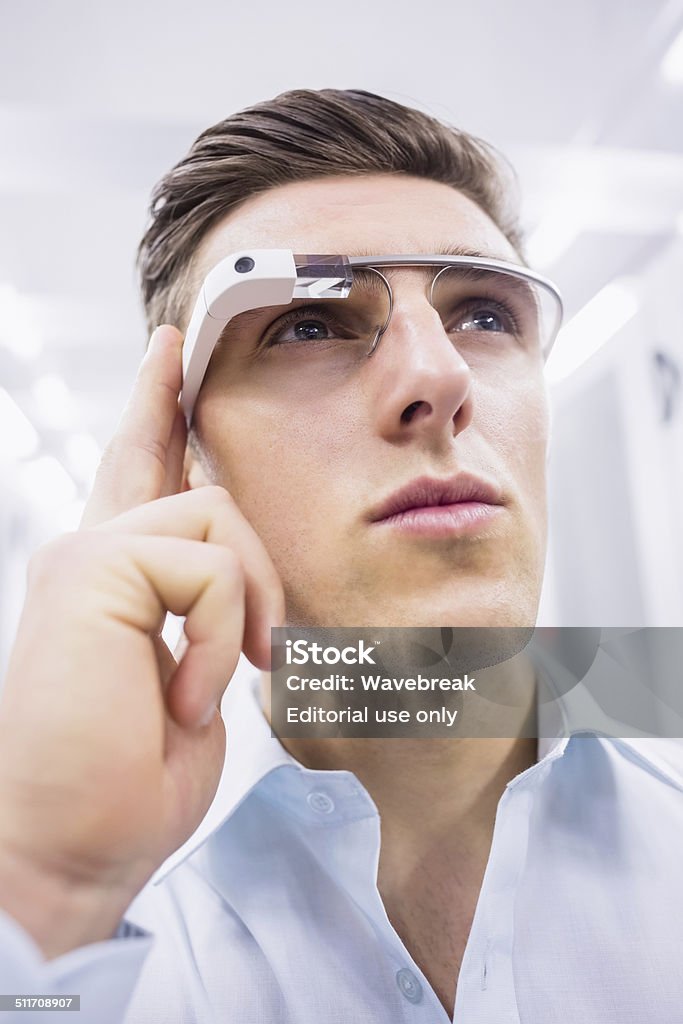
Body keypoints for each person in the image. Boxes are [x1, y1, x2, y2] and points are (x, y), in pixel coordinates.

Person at [0, 88, 681, 1024]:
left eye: (483, 315)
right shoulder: (83, 916)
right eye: (307, 326)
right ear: (183, 455)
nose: (437, 378)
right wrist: (54, 892)